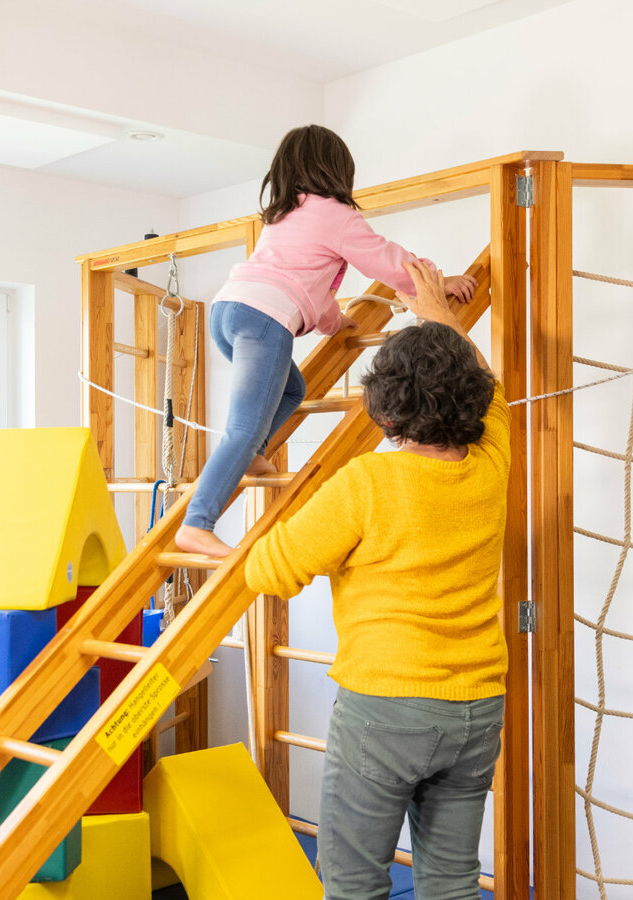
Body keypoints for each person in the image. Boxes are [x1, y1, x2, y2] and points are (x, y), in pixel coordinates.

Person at [245, 260, 509, 900]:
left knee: (355, 883)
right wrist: (439, 317)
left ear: (385, 408)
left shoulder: (366, 482)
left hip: (386, 711)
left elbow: (269, 571)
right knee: (450, 882)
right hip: (476, 708)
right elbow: (488, 385)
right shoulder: (495, 458)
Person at [174, 124, 475, 558]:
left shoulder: (284, 215)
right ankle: (197, 523)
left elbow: (303, 284)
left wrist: (337, 322)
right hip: (265, 319)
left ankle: (255, 452)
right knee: (241, 428)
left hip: (228, 312)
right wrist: (437, 281)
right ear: (336, 171)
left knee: (293, 389)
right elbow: (386, 259)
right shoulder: (335, 214)